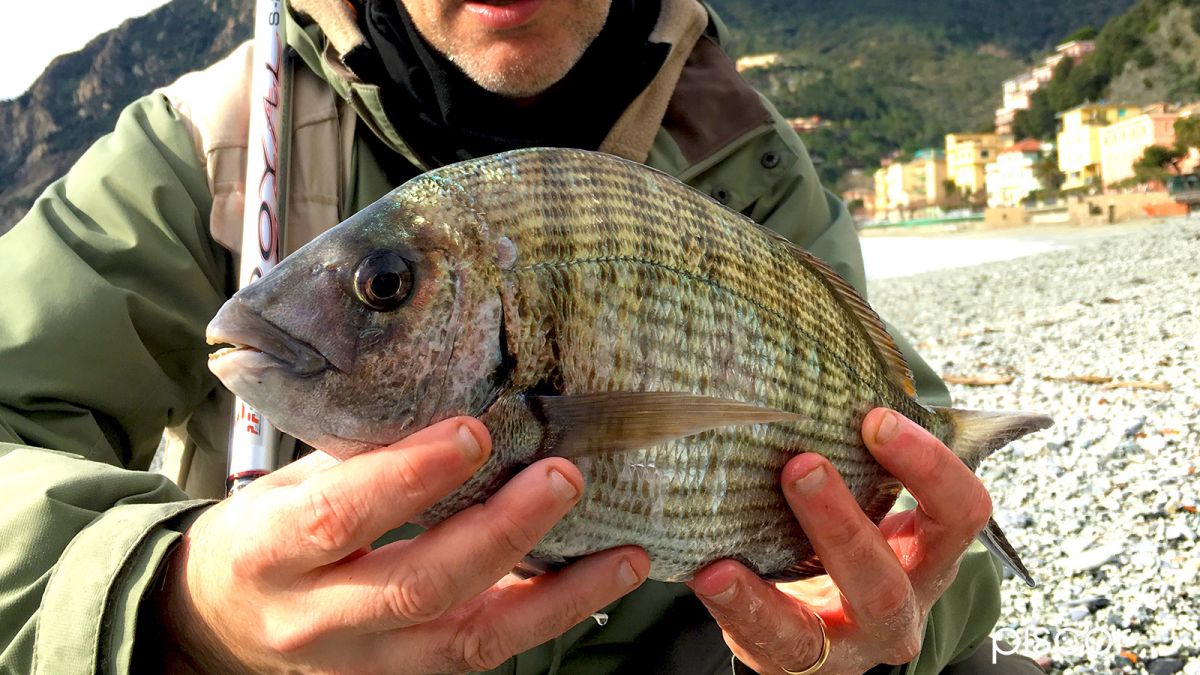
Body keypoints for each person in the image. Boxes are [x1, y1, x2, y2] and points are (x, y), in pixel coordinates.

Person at [0, 0, 1036, 673]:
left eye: (387, 287)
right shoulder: (204, 156)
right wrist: (170, 600)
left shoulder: (752, 172)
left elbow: (914, 521)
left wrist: (892, 624)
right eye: (389, 286)